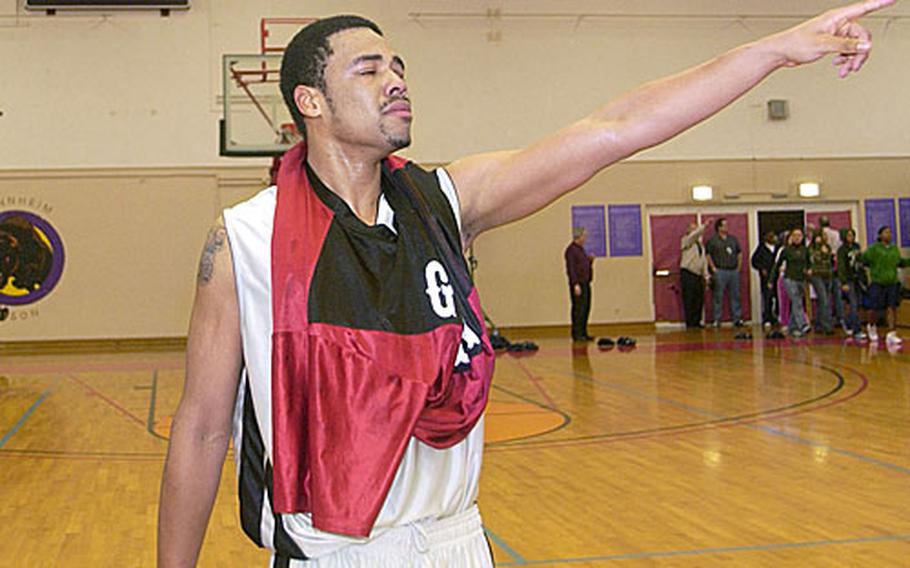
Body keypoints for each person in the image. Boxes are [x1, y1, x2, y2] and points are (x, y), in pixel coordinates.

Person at [157, 4, 893, 566]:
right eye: (369, 69)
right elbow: (200, 428)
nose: (397, 79)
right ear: (309, 102)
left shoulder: (446, 202)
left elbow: (615, 128)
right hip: (333, 550)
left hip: (456, 539)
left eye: (400, 65)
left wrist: (773, 50)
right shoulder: (242, 242)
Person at [861, 226, 910, 345]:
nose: (889, 234)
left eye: (890, 232)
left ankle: (891, 333)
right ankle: (871, 326)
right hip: (878, 282)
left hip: (892, 282)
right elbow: (864, 260)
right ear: (880, 235)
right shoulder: (874, 249)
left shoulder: (894, 249)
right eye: (886, 232)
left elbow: (900, 262)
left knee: (891, 307)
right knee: (873, 308)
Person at [772, 228, 812, 337]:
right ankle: (802, 324)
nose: (797, 237)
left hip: (801, 279)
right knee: (796, 300)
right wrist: (771, 280)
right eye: (795, 235)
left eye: (799, 235)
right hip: (789, 278)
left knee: (796, 302)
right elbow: (777, 265)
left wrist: (809, 271)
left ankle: (792, 327)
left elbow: (809, 263)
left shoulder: (805, 250)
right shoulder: (786, 250)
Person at [706, 218, 744, 327]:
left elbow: (739, 253)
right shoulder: (713, 241)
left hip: (733, 271)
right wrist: (713, 268)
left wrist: (738, 267)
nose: (726, 227)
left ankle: (737, 318)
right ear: (719, 227)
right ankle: (717, 319)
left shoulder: (733, 239)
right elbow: (708, 255)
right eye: (724, 225)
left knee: (735, 295)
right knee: (718, 295)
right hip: (720, 271)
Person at [566, 227, 595, 341]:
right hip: (578, 284)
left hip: (586, 282)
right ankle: (577, 334)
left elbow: (582, 265)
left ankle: (583, 332)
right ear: (579, 236)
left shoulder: (580, 249)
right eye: (584, 236)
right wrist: (575, 284)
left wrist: (589, 261)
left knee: (586, 308)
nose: (585, 238)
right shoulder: (571, 250)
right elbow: (571, 269)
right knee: (578, 309)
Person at [837, 228, 867, 340]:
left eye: (852, 235)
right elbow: (841, 267)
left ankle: (848, 321)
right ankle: (856, 329)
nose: (851, 237)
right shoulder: (842, 250)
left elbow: (860, 262)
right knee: (853, 303)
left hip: (857, 279)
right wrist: (843, 282)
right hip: (848, 279)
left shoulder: (856, 247)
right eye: (848, 235)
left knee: (858, 303)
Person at [680, 220, 709, 328]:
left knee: (698, 299)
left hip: (697, 274)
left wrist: (706, 276)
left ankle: (697, 321)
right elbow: (694, 236)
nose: (695, 230)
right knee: (689, 299)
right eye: (692, 228)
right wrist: (704, 226)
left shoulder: (700, 245)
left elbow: (703, 261)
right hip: (688, 273)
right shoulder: (686, 241)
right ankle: (690, 322)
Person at [819, 216, 846, 330]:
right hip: (835, 266)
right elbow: (838, 249)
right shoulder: (836, 234)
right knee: (837, 295)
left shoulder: (819, 236)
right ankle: (840, 318)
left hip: (826, 268)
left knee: (826, 296)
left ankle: (828, 320)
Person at [808, 230, 835, 334]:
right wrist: (820, 249)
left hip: (827, 274)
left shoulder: (827, 247)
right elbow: (815, 260)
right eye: (822, 235)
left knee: (824, 300)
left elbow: (829, 261)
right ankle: (826, 326)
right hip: (816, 274)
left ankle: (818, 324)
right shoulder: (811, 249)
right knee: (823, 299)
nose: (824, 237)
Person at [751, 230, 779, 328]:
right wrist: (761, 268)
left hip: (777, 276)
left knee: (778, 297)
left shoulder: (777, 248)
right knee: (768, 298)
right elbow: (754, 261)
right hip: (766, 277)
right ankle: (767, 318)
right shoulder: (761, 248)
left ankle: (777, 316)